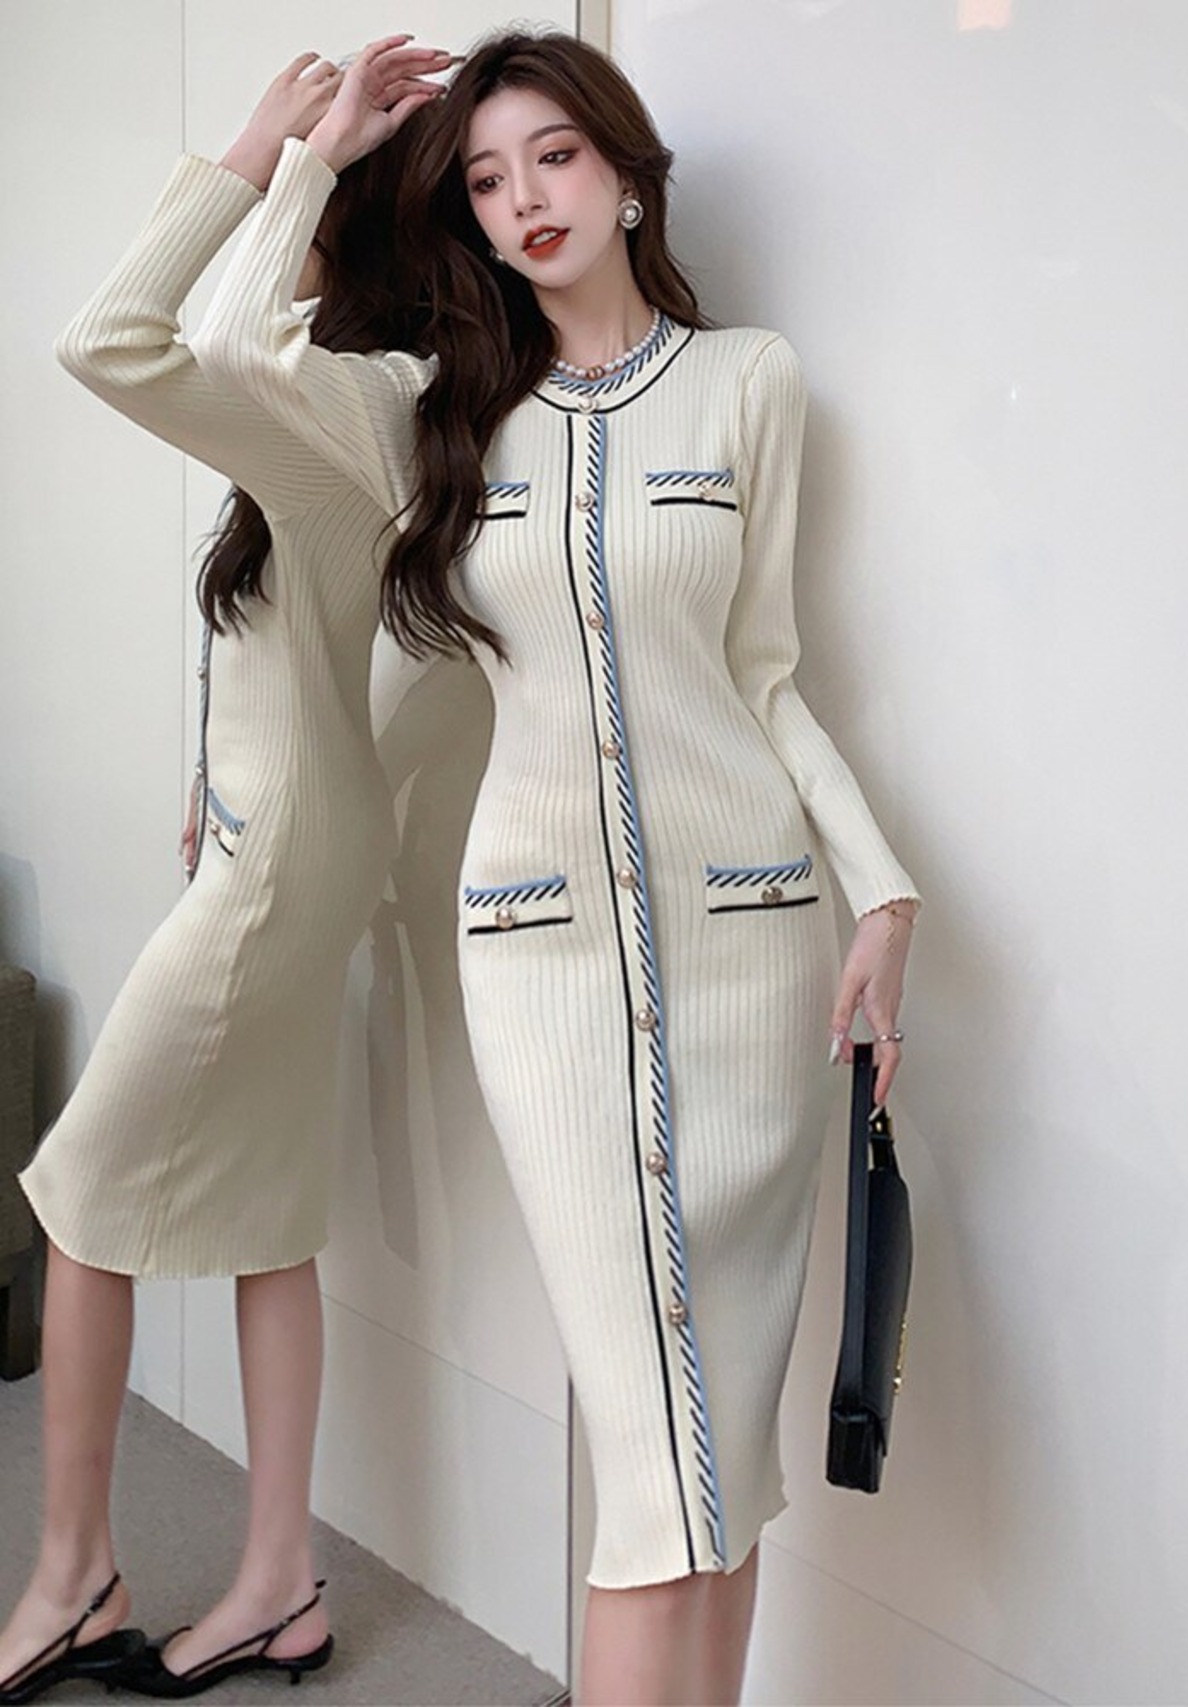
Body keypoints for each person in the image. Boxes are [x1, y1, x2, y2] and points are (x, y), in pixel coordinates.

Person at [185, 28, 922, 1706]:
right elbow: (221, 351)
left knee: (723, 1444)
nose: (525, 197)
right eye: (487, 177)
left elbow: (767, 676)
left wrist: (882, 892)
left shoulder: (751, 383)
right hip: (542, 968)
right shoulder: (435, 414)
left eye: (556, 156)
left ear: (628, 174)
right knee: (650, 1461)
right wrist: (314, 153)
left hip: (752, 958)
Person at [0, 45, 448, 1705]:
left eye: (304, 209)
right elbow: (284, 622)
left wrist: (276, 148)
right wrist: (220, 771)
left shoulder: (369, 399)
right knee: (265, 1214)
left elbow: (126, 336)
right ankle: (279, 1582)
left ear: (343, 229)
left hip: (288, 857)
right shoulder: (332, 416)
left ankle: (74, 1577)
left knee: (80, 1193)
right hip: (284, 834)